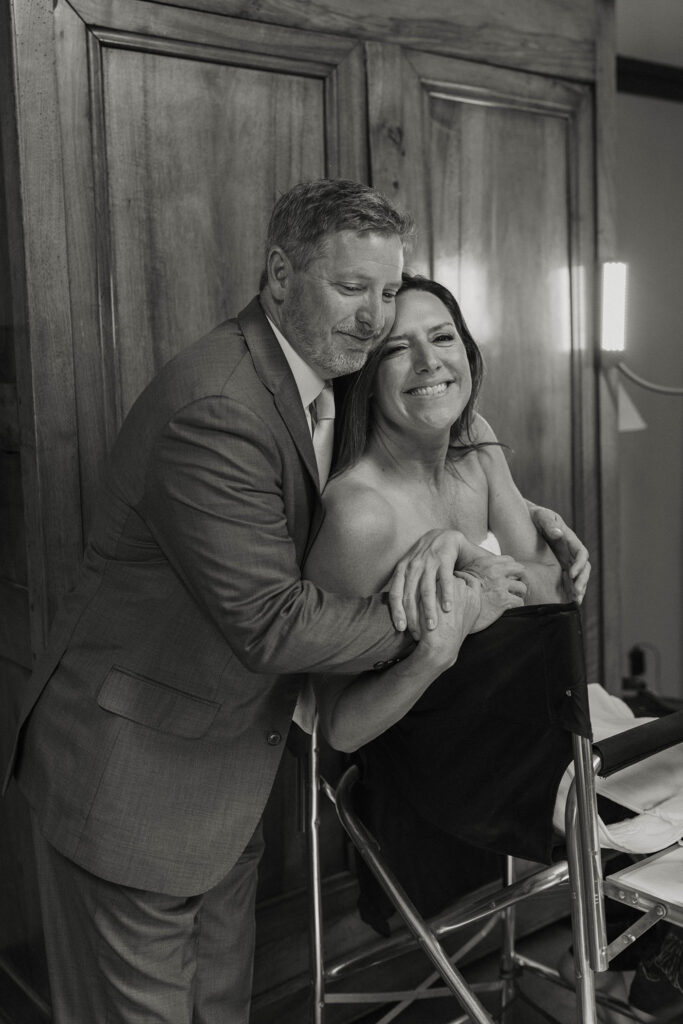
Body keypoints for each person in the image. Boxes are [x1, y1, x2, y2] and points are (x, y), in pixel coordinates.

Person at [2, 180, 588, 1024]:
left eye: (386, 291)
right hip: (131, 773)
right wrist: (446, 605)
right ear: (279, 275)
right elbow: (271, 621)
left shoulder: (324, 386)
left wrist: (507, 525)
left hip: (226, 772)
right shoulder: (219, 406)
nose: (375, 318)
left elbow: (414, 466)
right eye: (352, 289)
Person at [303, 272, 682, 1022]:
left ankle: (645, 964)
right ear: (364, 380)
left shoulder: (475, 449)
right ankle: (643, 965)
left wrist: (464, 552)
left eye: (441, 338)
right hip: (443, 765)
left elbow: (551, 590)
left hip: (538, 722)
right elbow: (335, 727)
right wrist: (432, 651)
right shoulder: (359, 515)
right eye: (395, 349)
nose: (428, 362)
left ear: (469, 354)